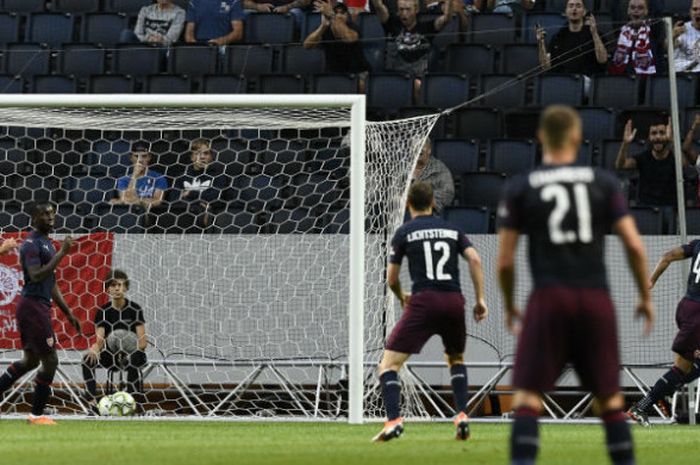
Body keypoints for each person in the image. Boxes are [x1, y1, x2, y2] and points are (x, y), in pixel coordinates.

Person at [497, 105, 654, 465]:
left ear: (540, 138)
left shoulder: (520, 186)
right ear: (576, 137)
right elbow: (633, 243)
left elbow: (505, 261)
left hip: (548, 299)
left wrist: (508, 305)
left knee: (528, 399)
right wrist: (645, 297)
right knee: (610, 401)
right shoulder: (603, 182)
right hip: (595, 299)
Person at [372, 181, 488, 442]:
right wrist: (480, 299)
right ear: (433, 202)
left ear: (408, 204)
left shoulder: (404, 233)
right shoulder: (452, 229)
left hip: (424, 301)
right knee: (456, 360)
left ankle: (393, 421)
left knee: (388, 365)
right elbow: (475, 259)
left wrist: (403, 297)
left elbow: (391, 278)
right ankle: (461, 415)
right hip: (453, 301)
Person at [0, 203, 82, 425]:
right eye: (45, 214)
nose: (51, 217)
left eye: (52, 214)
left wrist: (69, 313)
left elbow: (51, 282)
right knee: (51, 360)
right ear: (34, 218)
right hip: (32, 306)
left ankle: (35, 415)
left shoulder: (48, 244)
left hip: (38, 306)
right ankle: (36, 416)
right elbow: (36, 276)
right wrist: (64, 252)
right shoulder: (30, 244)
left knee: (30, 362)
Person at [627, 240, 700, 426]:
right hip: (697, 317)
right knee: (681, 368)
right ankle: (642, 406)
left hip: (686, 306)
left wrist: (651, 280)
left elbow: (667, 256)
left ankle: (665, 389)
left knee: (696, 363)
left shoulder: (698, 244)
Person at [82, 269, 147, 411]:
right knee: (88, 359)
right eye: (113, 285)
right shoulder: (103, 311)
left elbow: (143, 343)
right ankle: (92, 402)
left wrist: (129, 352)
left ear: (126, 287)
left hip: (132, 353)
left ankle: (132, 402)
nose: (117, 288)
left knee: (134, 358)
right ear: (107, 289)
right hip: (111, 355)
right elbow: (99, 340)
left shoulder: (134, 309)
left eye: (120, 285)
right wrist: (94, 348)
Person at [616, 117, 696, 230]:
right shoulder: (643, 157)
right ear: (649, 137)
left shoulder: (675, 156)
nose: (658, 137)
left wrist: (672, 140)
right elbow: (621, 165)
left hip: (671, 211)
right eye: (654, 133)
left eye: (662, 133)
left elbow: (685, 166)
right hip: (647, 210)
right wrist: (625, 143)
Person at [371, 0, 453, 78]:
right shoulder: (392, 24)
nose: (404, 13)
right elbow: (378, 7)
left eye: (408, 9)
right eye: (401, 9)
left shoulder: (427, 27)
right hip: (396, 74)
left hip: (417, 76)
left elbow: (446, 18)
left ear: (416, 9)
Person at [536, 0, 607, 77]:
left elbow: (602, 60)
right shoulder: (558, 37)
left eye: (578, 6)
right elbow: (545, 67)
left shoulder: (595, 34)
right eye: (571, 6)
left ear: (584, 12)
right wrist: (541, 42)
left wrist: (594, 33)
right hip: (563, 81)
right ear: (566, 11)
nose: (574, 9)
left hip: (587, 81)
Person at [172, 138, 229, 231]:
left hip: (206, 217)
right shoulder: (182, 176)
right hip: (184, 217)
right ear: (191, 157)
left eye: (206, 153)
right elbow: (174, 199)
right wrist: (199, 201)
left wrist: (189, 193)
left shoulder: (219, 175)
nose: (202, 157)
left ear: (211, 157)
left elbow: (215, 197)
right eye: (197, 153)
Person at [303, 1, 370, 76]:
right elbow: (307, 46)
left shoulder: (353, 27)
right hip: (333, 73)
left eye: (342, 13)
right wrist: (323, 26)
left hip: (357, 72)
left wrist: (332, 16)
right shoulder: (325, 29)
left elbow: (348, 38)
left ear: (347, 16)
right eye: (336, 12)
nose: (339, 16)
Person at [111, 140, 168, 210]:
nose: (140, 160)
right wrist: (134, 177)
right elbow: (126, 199)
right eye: (136, 156)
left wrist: (134, 200)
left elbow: (157, 201)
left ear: (149, 157)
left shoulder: (159, 178)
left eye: (144, 156)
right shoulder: (123, 179)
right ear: (131, 158)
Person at [608, 0, 661, 75]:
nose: (636, 10)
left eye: (640, 8)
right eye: (632, 8)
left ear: (647, 11)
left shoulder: (653, 29)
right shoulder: (621, 29)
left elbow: (658, 8)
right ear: (628, 11)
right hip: (622, 78)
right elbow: (614, 8)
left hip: (646, 79)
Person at [411, 140, 454, 216]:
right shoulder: (403, 169)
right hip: (404, 214)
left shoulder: (439, 169)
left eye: (422, 146)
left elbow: (448, 194)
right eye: (416, 147)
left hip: (432, 214)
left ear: (429, 150)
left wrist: (423, 198)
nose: (419, 150)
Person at [119, 0, 186, 45]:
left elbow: (171, 39)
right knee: (126, 34)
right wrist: (149, 39)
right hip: (144, 44)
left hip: (162, 47)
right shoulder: (145, 10)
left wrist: (159, 40)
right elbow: (138, 33)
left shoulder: (179, 13)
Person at [672, 0, 700, 72]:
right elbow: (666, 48)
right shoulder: (682, 29)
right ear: (690, 12)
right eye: (695, 9)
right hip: (686, 75)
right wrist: (673, 36)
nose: (698, 12)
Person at [243, 0, 310, 28]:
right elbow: (242, 2)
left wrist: (287, 7)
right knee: (245, 13)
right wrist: (257, 6)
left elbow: (306, 1)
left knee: (296, 12)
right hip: (260, 12)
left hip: (289, 11)